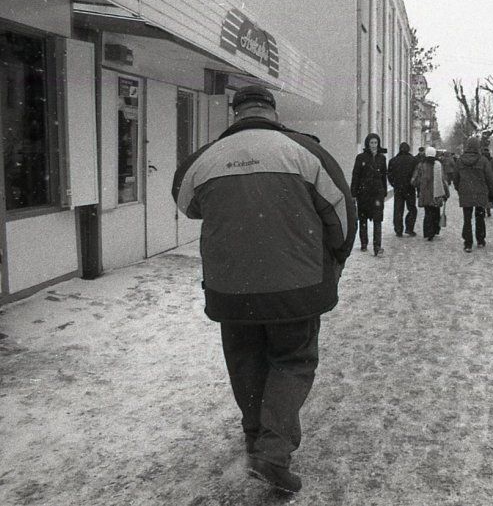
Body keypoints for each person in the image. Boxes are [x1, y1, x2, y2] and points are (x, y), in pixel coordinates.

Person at [171, 85, 356, 495]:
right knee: (292, 361)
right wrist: (335, 257)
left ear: (235, 114)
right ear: (272, 111)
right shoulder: (306, 152)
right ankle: (272, 453)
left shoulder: (204, 159)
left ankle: (256, 439)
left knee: (245, 361)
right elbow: (342, 215)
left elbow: (188, 204)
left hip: (231, 288)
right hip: (297, 285)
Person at [454, 136, 493, 252]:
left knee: (467, 218)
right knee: (480, 216)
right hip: (480, 193)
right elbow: (490, 178)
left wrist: (460, 189)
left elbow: (455, 178)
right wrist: (491, 192)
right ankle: (480, 239)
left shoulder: (460, 160)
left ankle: (468, 243)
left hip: (466, 193)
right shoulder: (483, 161)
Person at [351, 133, 388, 256]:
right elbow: (356, 175)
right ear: (368, 143)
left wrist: (384, 190)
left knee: (378, 220)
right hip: (364, 193)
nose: (373, 145)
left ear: (378, 144)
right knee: (363, 219)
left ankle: (377, 247)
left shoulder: (382, 158)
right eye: (371, 143)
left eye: (375, 143)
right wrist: (354, 192)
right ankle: (364, 243)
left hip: (377, 192)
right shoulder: (361, 158)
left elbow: (384, 175)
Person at [412, 146, 449, 239]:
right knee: (436, 211)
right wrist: (446, 193)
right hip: (437, 193)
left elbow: (414, 180)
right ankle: (435, 230)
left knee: (428, 212)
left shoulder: (421, 165)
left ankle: (428, 232)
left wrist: (419, 185)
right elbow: (443, 179)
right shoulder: (438, 164)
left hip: (425, 193)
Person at [387, 142, 419, 237]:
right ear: (408, 149)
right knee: (412, 209)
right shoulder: (414, 160)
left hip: (398, 188)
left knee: (398, 209)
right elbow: (416, 175)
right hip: (410, 188)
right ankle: (409, 228)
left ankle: (398, 229)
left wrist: (394, 184)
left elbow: (389, 175)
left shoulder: (393, 161)